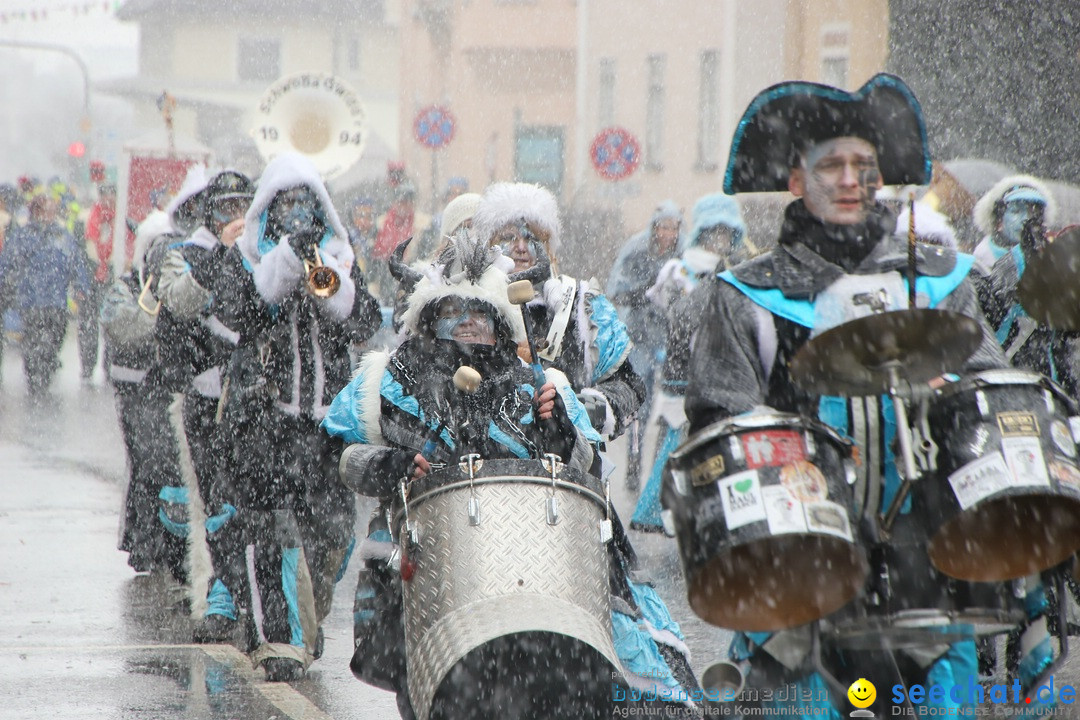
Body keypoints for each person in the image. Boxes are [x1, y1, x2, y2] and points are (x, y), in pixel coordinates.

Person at [683, 74, 1009, 717]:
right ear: (796, 181)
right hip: (797, 552)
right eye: (832, 164)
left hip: (926, 551)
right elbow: (717, 415)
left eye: (864, 164)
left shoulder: (937, 284)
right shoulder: (746, 294)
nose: (853, 178)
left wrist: (956, 393)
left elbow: (992, 395)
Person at [322, 232, 697, 719]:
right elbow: (334, 449)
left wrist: (560, 431)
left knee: (552, 692)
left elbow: (581, 471)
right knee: (437, 694)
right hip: (427, 564)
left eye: (481, 315)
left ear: (501, 322)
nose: (470, 326)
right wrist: (383, 466)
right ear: (432, 316)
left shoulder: (537, 381)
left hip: (535, 569)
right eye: (456, 312)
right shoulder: (387, 378)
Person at [214, 152, 380, 682]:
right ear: (269, 209)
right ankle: (280, 639)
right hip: (266, 422)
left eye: (305, 202)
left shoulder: (341, 257)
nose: (296, 212)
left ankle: (305, 618)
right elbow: (235, 312)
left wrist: (332, 287)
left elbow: (367, 320)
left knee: (331, 536)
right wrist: (282, 266)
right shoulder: (245, 256)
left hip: (328, 425)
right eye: (285, 203)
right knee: (272, 531)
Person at [968, 176, 1067, 695]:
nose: (1027, 219)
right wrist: (1022, 270)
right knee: (994, 524)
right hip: (995, 410)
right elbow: (986, 333)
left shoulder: (1050, 264)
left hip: (1046, 407)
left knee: (1044, 531)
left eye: (1035, 210)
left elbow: (1065, 337)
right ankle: (988, 651)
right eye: (1016, 209)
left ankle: (1033, 649)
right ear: (996, 214)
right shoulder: (978, 267)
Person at [154, 170, 255, 645]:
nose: (236, 220)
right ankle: (221, 590)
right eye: (226, 211)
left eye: (244, 210)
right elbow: (177, 301)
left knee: (255, 496)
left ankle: (254, 592)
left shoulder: (261, 255)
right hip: (204, 397)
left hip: (254, 398)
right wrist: (222, 260)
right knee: (217, 500)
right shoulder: (184, 255)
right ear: (208, 216)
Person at [472, 182, 645, 450]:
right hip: (487, 470)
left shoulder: (579, 305)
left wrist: (577, 410)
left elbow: (629, 387)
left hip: (567, 469)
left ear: (549, 249)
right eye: (509, 238)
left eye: (533, 239)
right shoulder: (468, 307)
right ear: (488, 246)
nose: (521, 248)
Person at [631, 192, 751, 531]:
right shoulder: (680, 270)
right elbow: (669, 311)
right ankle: (663, 512)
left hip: (722, 372)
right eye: (714, 233)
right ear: (702, 234)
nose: (719, 241)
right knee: (677, 445)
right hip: (683, 373)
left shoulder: (737, 271)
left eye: (725, 234)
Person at [100, 212, 187, 578]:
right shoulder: (126, 286)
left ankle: (173, 544)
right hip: (136, 394)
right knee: (148, 468)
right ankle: (144, 542)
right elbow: (123, 327)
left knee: (174, 469)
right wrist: (157, 307)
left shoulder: (174, 286)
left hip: (169, 392)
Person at [606, 201, 682, 489]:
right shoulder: (636, 251)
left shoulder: (682, 254)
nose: (668, 234)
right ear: (654, 228)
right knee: (639, 406)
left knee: (670, 409)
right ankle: (634, 463)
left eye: (673, 228)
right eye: (663, 227)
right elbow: (617, 290)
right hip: (638, 340)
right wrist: (643, 293)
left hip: (669, 341)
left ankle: (661, 473)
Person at [0, 190, 89, 395]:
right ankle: (34, 377)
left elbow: (76, 262)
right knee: (32, 340)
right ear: (36, 211)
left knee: (56, 337)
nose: (50, 215)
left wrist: (81, 287)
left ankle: (47, 368)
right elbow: (7, 263)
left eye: (52, 211)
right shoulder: (23, 236)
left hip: (56, 302)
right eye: (46, 210)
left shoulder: (62, 235)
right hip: (30, 301)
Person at [971, 175, 1056, 276]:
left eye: (1033, 213)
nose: (1026, 219)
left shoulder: (1052, 258)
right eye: (1015, 211)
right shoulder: (980, 264)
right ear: (999, 220)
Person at [79, 182, 118, 381]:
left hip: (111, 278)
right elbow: (80, 251)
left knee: (111, 325)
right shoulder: (89, 218)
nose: (108, 199)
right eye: (105, 195)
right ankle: (87, 366)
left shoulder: (119, 220)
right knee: (88, 326)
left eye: (111, 195)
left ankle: (109, 366)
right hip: (91, 280)